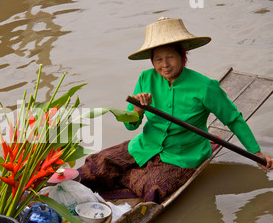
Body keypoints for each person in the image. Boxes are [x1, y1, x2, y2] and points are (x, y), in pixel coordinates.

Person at [78, 17, 272, 203]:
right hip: (146, 145)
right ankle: (129, 175)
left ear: (182, 56)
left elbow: (233, 119)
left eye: (170, 57)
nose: (165, 65)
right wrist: (137, 110)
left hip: (183, 153)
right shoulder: (146, 78)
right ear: (152, 61)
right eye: (158, 59)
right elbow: (131, 126)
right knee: (96, 164)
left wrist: (256, 153)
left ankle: (132, 178)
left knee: (152, 186)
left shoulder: (205, 86)